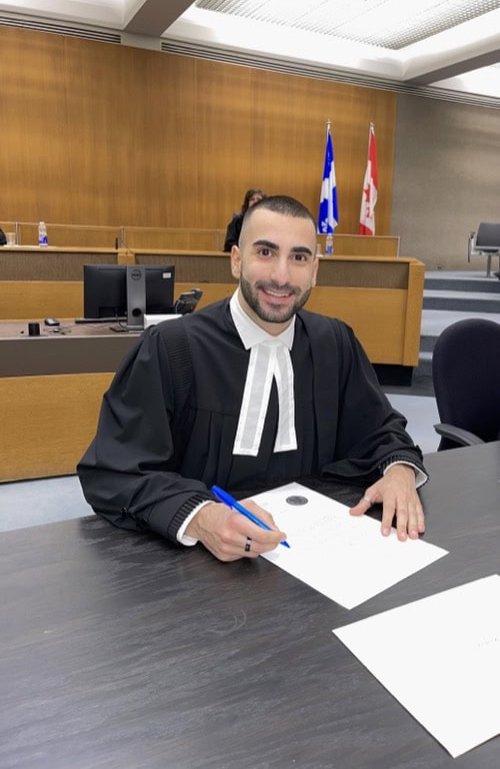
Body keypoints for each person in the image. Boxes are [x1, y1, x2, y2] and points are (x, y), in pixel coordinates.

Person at [78, 195, 427, 562]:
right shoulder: (171, 349)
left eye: (298, 257)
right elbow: (114, 472)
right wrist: (200, 517)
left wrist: (400, 471)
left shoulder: (335, 343)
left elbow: (381, 429)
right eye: (265, 252)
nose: (281, 276)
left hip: (316, 561)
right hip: (191, 569)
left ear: (315, 269)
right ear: (236, 260)